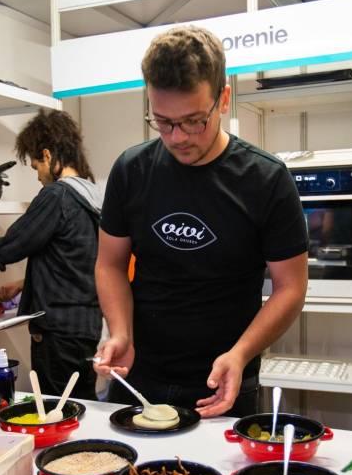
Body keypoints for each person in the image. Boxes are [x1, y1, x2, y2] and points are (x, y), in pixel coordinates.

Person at [93, 25, 308, 418]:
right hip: (140, 373)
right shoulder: (131, 170)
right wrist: (121, 331)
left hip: (224, 378)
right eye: (162, 122)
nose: (177, 137)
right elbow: (110, 264)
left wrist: (241, 353)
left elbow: (290, 287)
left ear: (223, 99)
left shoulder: (265, 179)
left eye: (193, 121)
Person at [0, 109, 103, 401]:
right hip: (86, 326)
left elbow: (11, 247)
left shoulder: (57, 196)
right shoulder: (91, 194)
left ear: (47, 155)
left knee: (58, 409)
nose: (38, 176)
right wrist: (26, 284)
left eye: (36, 166)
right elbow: (76, 263)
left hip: (58, 333)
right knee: (81, 404)